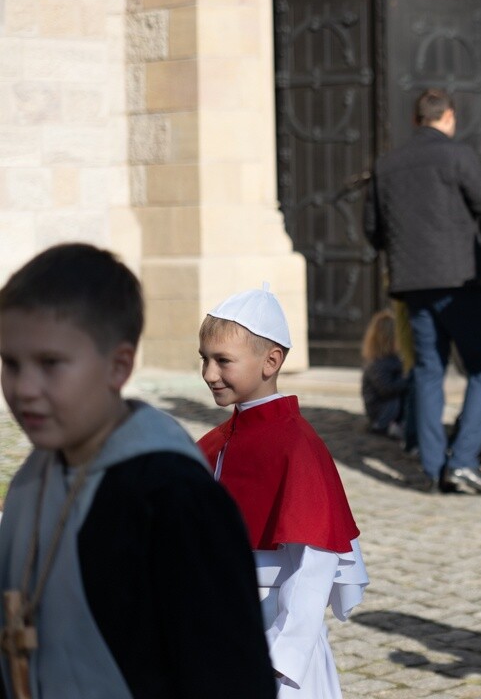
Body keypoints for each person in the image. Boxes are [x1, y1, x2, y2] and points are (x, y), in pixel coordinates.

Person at [0, 243, 275, 699]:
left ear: (119, 365)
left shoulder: (172, 498)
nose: (24, 389)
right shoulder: (34, 476)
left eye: (51, 364)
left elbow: (228, 676)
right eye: (11, 364)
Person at [197, 285, 369, 699]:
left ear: (270, 362)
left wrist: (280, 656)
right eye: (203, 359)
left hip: (271, 630)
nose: (208, 374)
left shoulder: (296, 447)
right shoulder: (216, 441)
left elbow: (313, 566)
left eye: (223, 361)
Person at [364, 87, 481, 495]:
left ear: (416, 119)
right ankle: (461, 462)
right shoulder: (458, 155)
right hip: (461, 280)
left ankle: (431, 467)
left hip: (413, 285)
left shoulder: (387, 164)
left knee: (428, 371)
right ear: (449, 118)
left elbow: (372, 229)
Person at [360, 307, 414, 451]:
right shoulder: (376, 364)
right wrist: (408, 380)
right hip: (381, 412)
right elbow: (386, 389)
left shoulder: (392, 360)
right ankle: (387, 425)